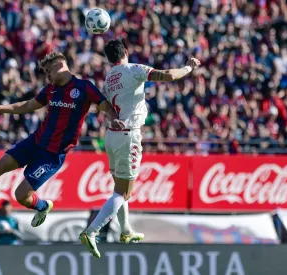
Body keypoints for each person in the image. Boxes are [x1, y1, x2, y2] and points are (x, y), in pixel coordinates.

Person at [0, 52, 124, 228]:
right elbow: (28, 105)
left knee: (21, 195)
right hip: (34, 142)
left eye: (48, 72)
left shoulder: (84, 87)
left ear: (59, 66)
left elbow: (104, 106)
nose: (47, 77)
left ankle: (43, 206)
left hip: (52, 156)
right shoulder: (51, 89)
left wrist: (113, 119)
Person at [79, 40, 201, 258]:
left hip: (112, 135)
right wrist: (189, 68)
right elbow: (168, 76)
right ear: (126, 51)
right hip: (129, 134)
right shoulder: (133, 69)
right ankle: (92, 230)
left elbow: (104, 106)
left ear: (109, 58)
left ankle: (126, 231)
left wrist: (114, 119)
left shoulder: (110, 77)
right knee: (124, 192)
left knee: (119, 188)